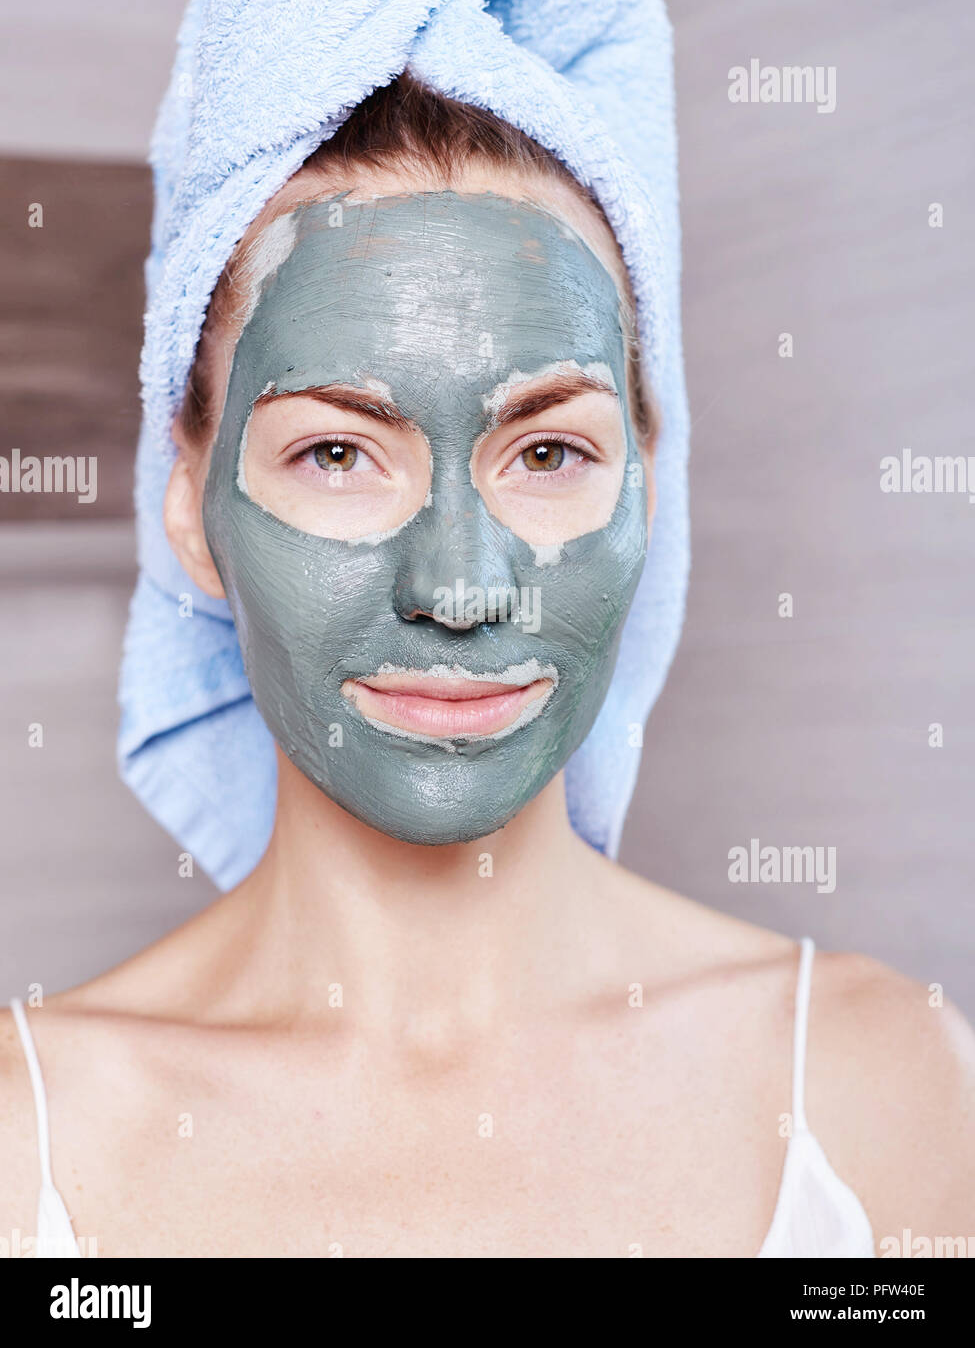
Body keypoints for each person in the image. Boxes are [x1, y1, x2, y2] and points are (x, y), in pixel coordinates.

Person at [3, 71, 973, 1262]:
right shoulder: (28, 1145)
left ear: (648, 499)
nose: (458, 587)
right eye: (339, 453)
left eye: (551, 450)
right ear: (193, 517)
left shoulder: (874, 1089)